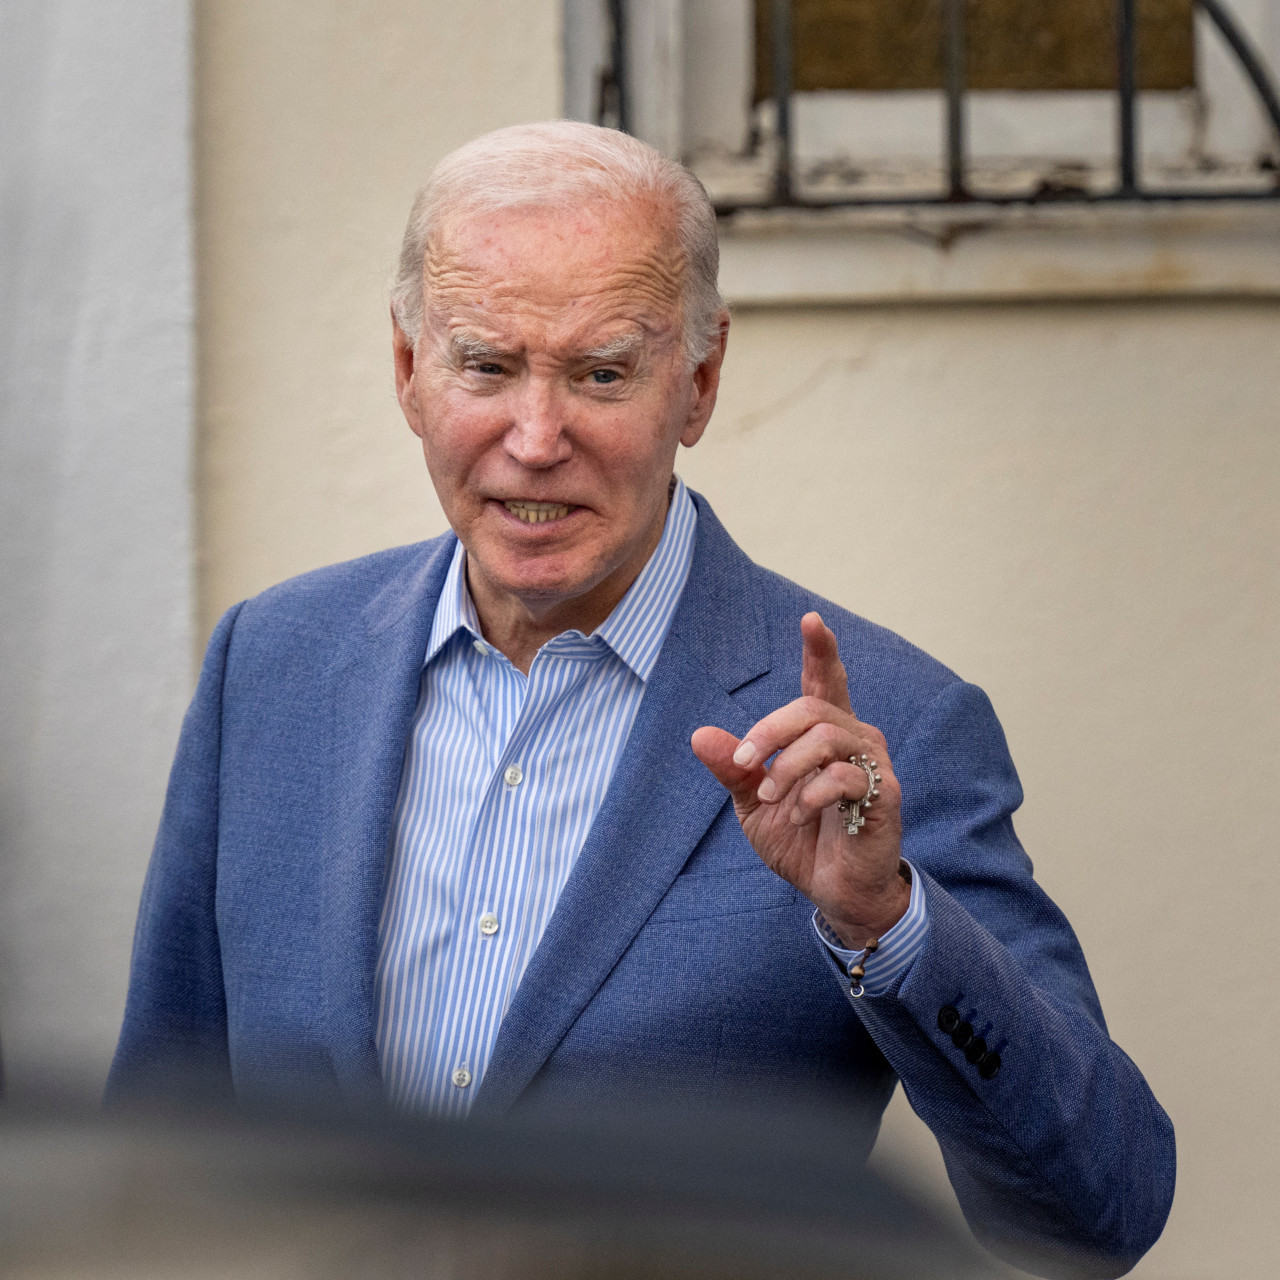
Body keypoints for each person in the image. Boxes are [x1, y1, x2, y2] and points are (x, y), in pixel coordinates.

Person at [109, 122, 1174, 1275]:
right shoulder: (271, 665)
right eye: (486, 364)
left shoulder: (886, 731)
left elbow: (1097, 1210)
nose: (534, 438)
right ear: (407, 370)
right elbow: (155, 1153)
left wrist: (887, 923)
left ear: (699, 382)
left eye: (601, 372)